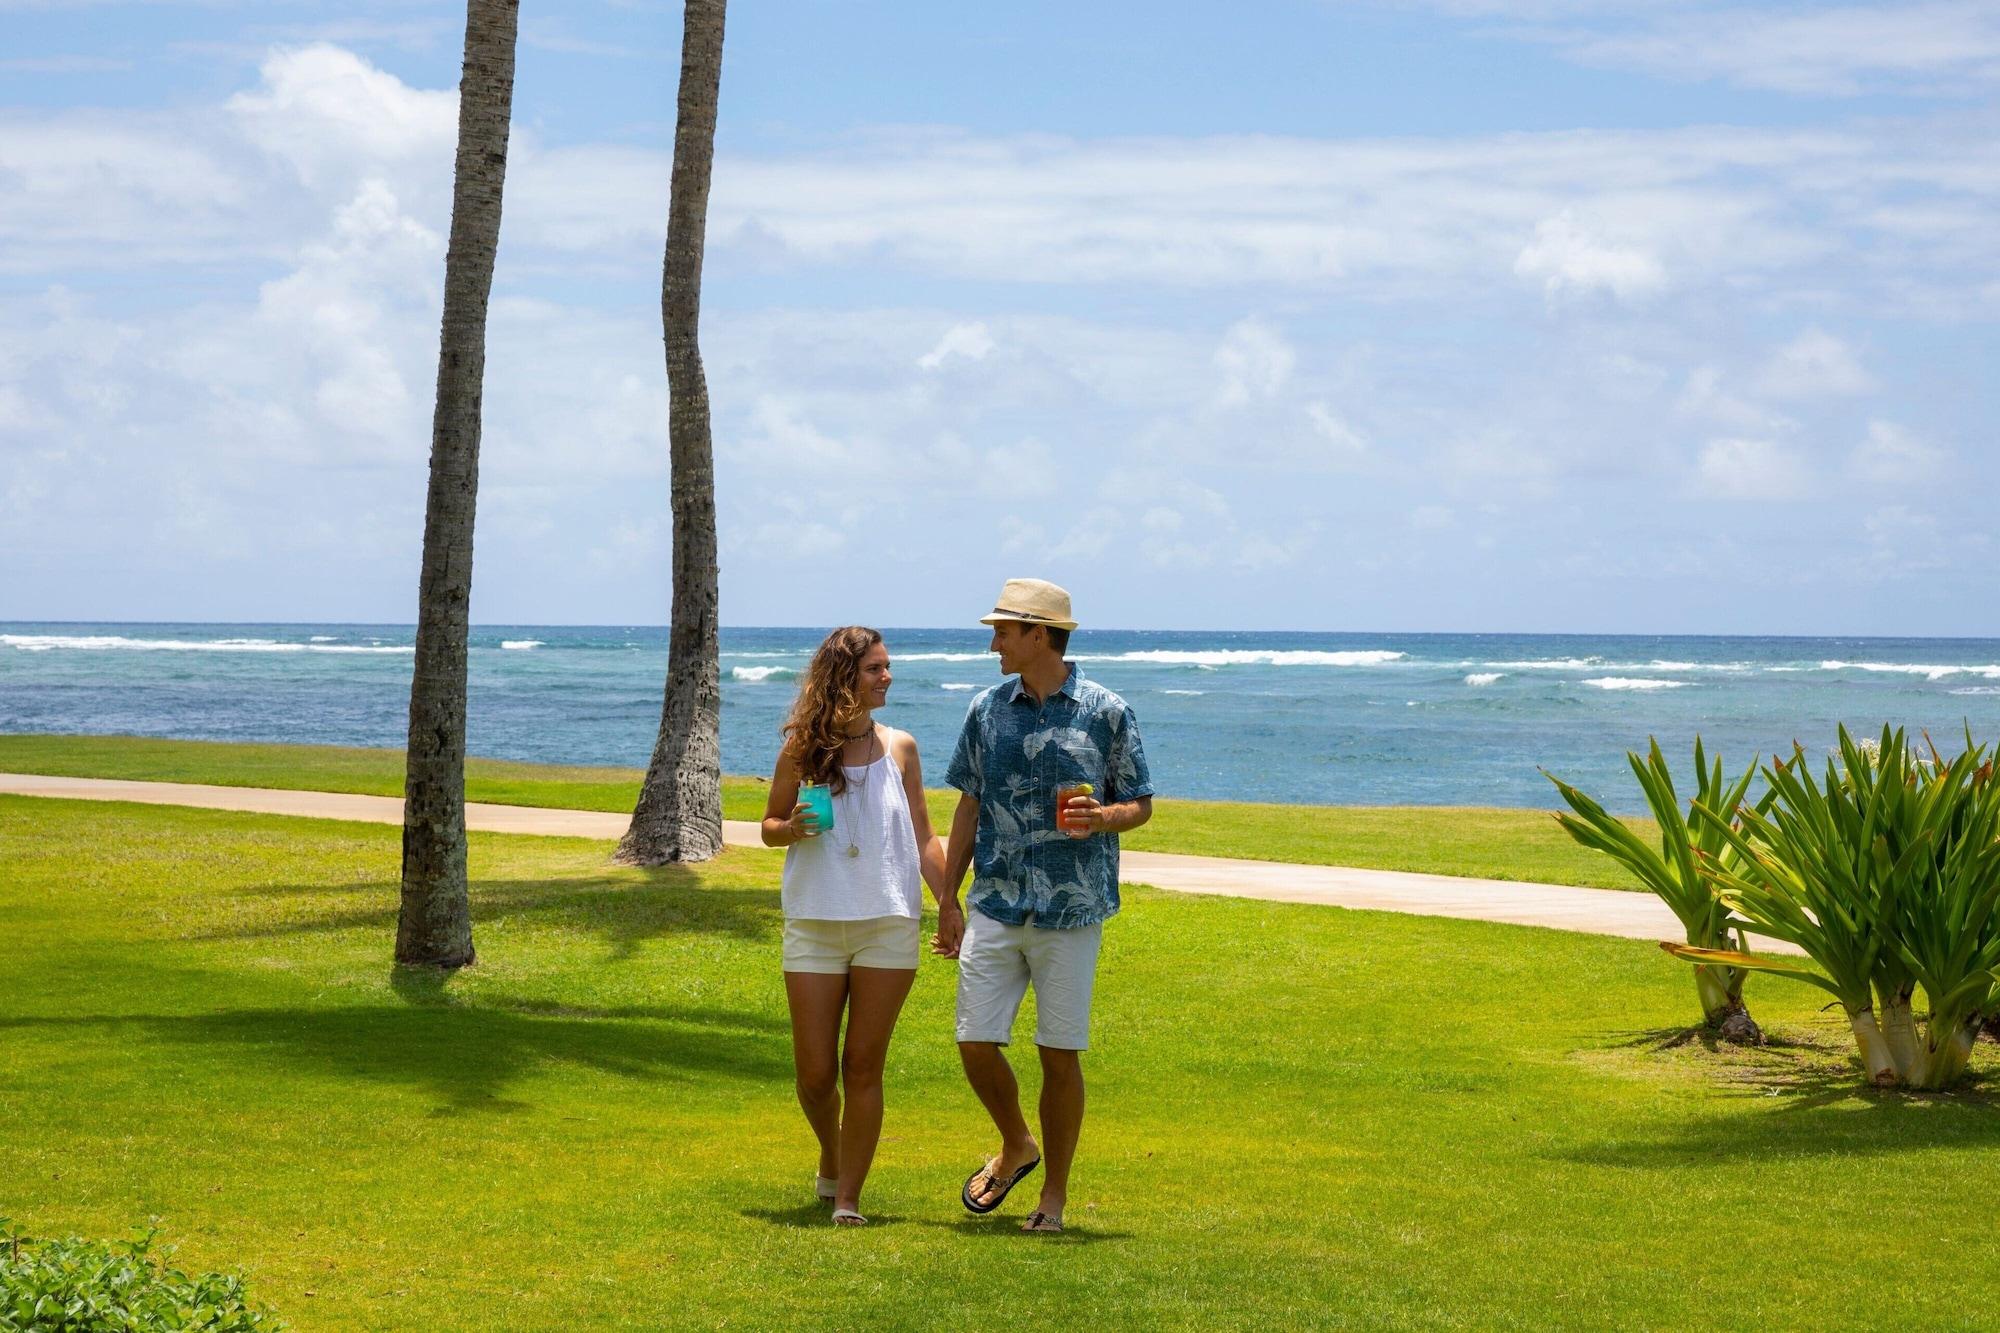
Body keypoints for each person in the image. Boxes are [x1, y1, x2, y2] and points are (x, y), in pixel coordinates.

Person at [936, 578, 1154, 1234]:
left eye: (1003, 632)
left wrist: (1105, 817)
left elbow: (1140, 802)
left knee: (1059, 1053)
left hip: (1073, 909)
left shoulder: (1107, 711)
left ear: (1039, 634)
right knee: (974, 1040)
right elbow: (969, 804)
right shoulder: (985, 710)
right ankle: (1017, 1143)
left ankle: (1053, 1197)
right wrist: (946, 897)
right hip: (996, 901)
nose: (994, 645)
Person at [761, 626, 951, 1226]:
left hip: (888, 923)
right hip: (815, 921)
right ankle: (831, 1150)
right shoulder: (801, 749)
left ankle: (848, 1198)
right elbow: (768, 826)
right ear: (843, 677)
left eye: (886, 666)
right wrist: (791, 829)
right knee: (815, 1075)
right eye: (874, 668)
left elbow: (924, 836)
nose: (887, 676)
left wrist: (949, 903)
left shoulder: (901, 748)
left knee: (863, 1067)